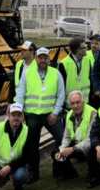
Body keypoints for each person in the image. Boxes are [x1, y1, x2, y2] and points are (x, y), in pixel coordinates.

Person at [15, 47, 65, 182]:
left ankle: (58, 168)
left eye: (45, 58)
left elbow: (61, 94)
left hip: (50, 116)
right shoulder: (27, 73)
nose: (43, 60)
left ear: (49, 59)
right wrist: (19, 112)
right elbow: (20, 93)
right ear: (36, 58)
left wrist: (55, 112)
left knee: (61, 138)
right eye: (40, 57)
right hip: (32, 116)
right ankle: (33, 173)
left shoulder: (56, 73)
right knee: (32, 145)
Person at [53, 91, 98, 180]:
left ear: (83, 102)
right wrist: (62, 150)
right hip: (78, 145)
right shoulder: (69, 114)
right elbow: (66, 137)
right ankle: (70, 174)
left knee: (87, 146)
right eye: (72, 103)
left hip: (90, 146)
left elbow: (90, 139)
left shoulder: (93, 114)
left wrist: (72, 149)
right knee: (55, 151)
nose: (75, 106)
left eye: (78, 102)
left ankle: (94, 173)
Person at [60, 38, 92, 107]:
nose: (86, 48)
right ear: (78, 50)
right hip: (71, 104)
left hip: (85, 103)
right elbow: (61, 87)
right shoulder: (64, 64)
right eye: (84, 47)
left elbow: (90, 78)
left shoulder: (87, 60)